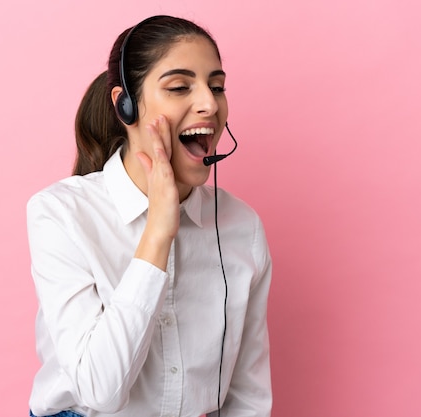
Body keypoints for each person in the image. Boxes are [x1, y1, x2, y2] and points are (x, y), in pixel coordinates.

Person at [27, 15, 272, 417]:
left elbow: (249, 396)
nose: (210, 104)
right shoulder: (61, 214)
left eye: (217, 87)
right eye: (179, 87)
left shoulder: (241, 227)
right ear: (126, 106)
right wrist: (157, 234)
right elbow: (99, 390)